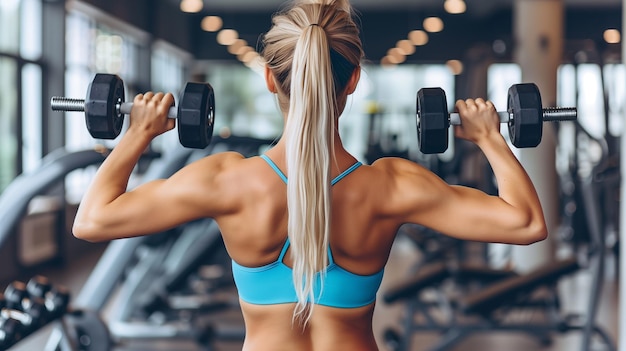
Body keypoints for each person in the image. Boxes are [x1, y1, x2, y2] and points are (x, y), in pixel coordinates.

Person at [72, 0, 548, 349]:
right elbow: (525, 223)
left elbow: (93, 220)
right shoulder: (391, 185)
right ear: (354, 80)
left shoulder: (226, 180)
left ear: (269, 78)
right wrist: (490, 138)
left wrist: (138, 133)